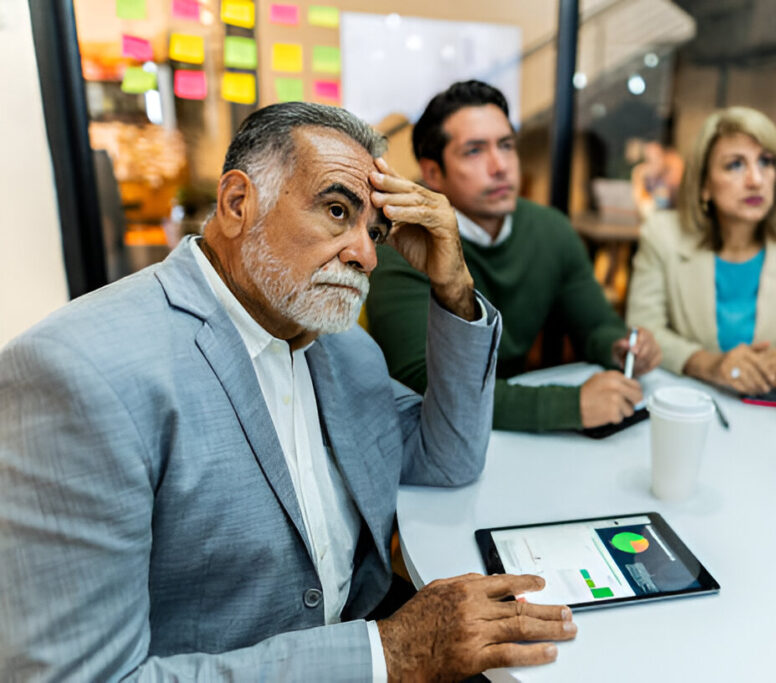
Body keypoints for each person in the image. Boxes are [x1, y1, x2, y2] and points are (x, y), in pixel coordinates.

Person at [0, 103, 577, 680]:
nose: (366, 255)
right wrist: (391, 653)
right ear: (237, 203)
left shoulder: (345, 350)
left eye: (375, 232)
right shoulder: (78, 374)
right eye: (336, 211)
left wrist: (453, 285)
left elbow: (448, 458)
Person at [366, 80, 661, 432]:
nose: (500, 166)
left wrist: (620, 347)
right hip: (427, 435)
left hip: (512, 433)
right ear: (432, 173)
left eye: (506, 145)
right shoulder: (403, 245)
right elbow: (423, 382)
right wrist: (568, 405)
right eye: (474, 151)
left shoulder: (550, 229)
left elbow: (596, 325)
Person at [626, 107, 776, 396]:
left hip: (769, 405)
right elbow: (642, 331)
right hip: (686, 399)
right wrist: (708, 364)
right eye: (735, 165)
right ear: (704, 185)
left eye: (766, 162)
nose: (756, 180)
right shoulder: (663, 234)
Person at [631, 139, 684, 217]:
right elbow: (639, 202)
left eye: (658, 157)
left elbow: (675, 195)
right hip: (654, 214)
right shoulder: (642, 173)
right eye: (651, 159)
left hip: (672, 212)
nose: (655, 162)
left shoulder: (674, 168)